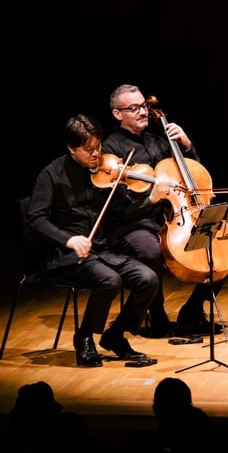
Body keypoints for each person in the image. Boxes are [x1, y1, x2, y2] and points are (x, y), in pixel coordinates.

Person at [27, 113, 164, 366]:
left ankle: (115, 335)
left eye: (98, 147)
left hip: (104, 249)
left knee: (148, 279)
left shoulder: (107, 171)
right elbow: (36, 219)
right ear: (71, 148)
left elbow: (123, 212)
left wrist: (149, 199)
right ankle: (85, 337)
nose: (96, 154)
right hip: (69, 255)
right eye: (88, 149)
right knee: (109, 281)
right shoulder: (52, 174)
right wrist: (68, 240)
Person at [102, 84, 228, 338]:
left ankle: (192, 311)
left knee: (227, 243)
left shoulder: (159, 140)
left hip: (176, 216)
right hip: (135, 222)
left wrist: (187, 145)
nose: (143, 112)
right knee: (151, 251)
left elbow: (194, 176)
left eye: (144, 105)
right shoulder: (112, 151)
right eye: (134, 108)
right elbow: (117, 208)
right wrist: (152, 199)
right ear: (118, 114)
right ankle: (157, 313)